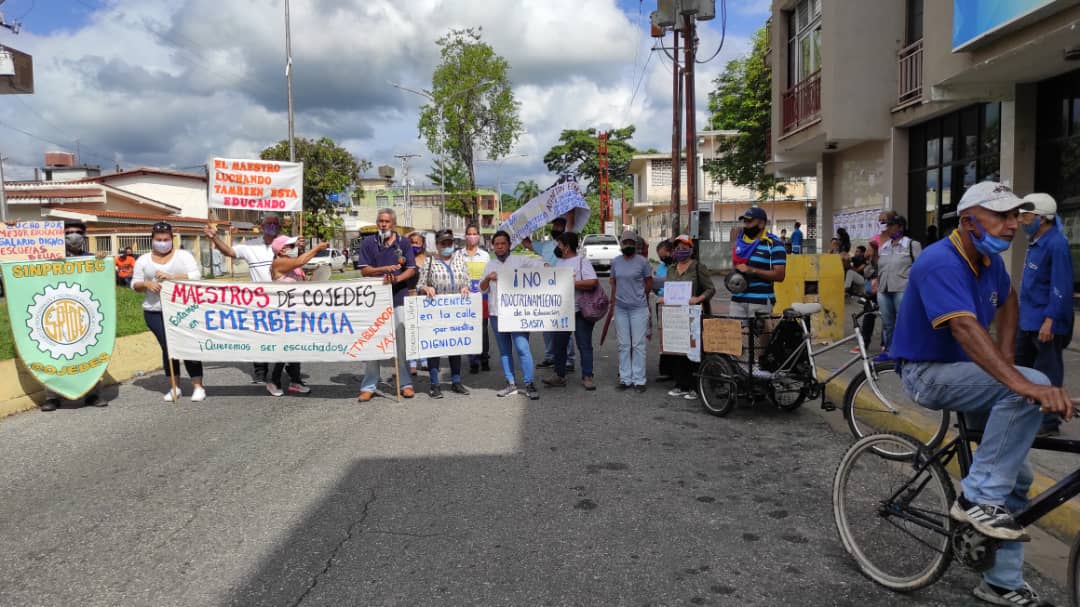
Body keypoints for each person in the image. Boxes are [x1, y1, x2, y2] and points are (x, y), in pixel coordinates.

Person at [891, 181, 1074, 607]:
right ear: (970, 220)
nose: (1014, 225)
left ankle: (1000, 582)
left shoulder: (989, 260)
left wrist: (1008, 364)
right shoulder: (940, 261)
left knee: (1019, 477)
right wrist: (1019, 381)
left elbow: (1008, 301)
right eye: (1004, 216)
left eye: (1017, 216)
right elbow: (966, 329)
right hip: (928, 374)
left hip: (968, 372)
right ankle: (977, 496)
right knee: (1030, 389)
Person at [204, 214, 287, 385]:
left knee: (284, 336)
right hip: (260, 301)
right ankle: (260, 372)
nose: (271, 226)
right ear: (261, 225)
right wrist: (215, 238)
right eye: (268, 223)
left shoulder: (287, 244)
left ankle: (287, 373)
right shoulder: (250, 245)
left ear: (280, 227)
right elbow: (229, 252)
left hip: (284, 300)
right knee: (259, 337)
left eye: (275, 223)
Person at [1017, 193, 1074, 437]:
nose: (1021, 221)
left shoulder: (1056, 243)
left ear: (1043, 218)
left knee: (1047, 373)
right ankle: (1025, 414)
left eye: (1026, 216)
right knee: (1021, 368)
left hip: (1046, 322)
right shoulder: (1036, 241)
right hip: (1028, 319)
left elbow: (1061, 286)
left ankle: (1050, 421)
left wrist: (1050, 320)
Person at [40, 220, 109, 412]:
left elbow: (101, 282)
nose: (74, 236)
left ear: (84, 236)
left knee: (88, 353)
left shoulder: (91, 259)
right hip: (56, 315)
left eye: (78, 232)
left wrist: (101, 262)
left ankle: (93, 394)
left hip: (83, 315)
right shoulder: (50, 258)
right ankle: (52, 396)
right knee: (53, 354)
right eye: (69, 232)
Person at [132, 222, 206, 402]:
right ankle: (175, 386)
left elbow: (196, 275)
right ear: (152, 240)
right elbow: (134, 284)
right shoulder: (143, 260)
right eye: (159, 240)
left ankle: (198, 386)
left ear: (172, 239)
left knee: (187, 345)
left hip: (183, 309)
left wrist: (173, 277)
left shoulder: (183, 256)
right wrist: (147, 284)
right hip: (155, 311)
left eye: (166, 239)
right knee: (168, 347)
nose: (163, 243)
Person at [356, 209, 417, 401]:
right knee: (374, 340)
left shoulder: (403, 243)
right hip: (375, 299)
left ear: (393, 223)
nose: (383, 224)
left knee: (401, 340)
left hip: (398, 296)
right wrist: (384, 271)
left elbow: (411, 269)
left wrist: (397, 278)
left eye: (387, 221)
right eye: (380, 221)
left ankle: (405, 383)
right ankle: (369, 385)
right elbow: (364, 271)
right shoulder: (368, 243)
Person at [481, 230, 545, 400]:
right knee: (504, 350)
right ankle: (510, 383)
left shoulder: (521, 260)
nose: (500, 247)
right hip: (496, 314)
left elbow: (543, 266)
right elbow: (482, 288)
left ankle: (529, 383)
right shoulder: (490, 265)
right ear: (493, 247)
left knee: (522, 348)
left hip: (517, 314)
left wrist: (561, 273)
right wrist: (488, 278)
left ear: (509, 245)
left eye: (503, 243)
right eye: (497, 244)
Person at [730, 207, 787, 378]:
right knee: (738, 336)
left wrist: (752, 270)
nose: (746, 225)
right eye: (744, 221)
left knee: (761, 338)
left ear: (761, 223)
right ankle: (741, 373)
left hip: (760, 300)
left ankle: (762, 370)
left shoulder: (773, 244)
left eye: (750, 221)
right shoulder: (741, 242)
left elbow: (780, 275)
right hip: (738, 298)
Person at [659, 235, 716, 400]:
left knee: (693, 351)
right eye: (677, 248)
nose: (680, 251)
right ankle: (680, 384)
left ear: (691, 249)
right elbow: (670, 289)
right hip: (675, 316)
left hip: (693, 315)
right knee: (677, 349)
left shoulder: (699, 267)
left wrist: (698, 299)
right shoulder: (671, 269)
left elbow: (710, 289)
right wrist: (664, 298)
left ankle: (694, 386)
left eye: (684, 247)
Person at [417, 229, 473, 399]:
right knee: (435, 348)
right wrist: (426, 288)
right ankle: (434, 384)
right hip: (435, 312)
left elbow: (467, 280)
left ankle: (456, 381)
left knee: (455, 347)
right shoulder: (430, 261)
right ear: (438, 245)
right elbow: (420, 284)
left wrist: (465, 287)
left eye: (450, 243)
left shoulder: (460, 259)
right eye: (444, 243)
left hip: (455, 312)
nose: (447, 246)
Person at [266, 235, 324, 396]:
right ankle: (274, 380)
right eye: (291, 245)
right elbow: (299, 261)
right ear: (282, 249)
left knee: (295, 347)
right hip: (283, 314)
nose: (294, 247)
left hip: (297, 313)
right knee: (285, 348)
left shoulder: (294, 268)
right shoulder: (278, 263)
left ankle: (295, 381)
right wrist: (317, 248)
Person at [542, 232, 599, 391]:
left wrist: (572, 282)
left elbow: (592, 282)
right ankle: (559, 375)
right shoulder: (559, 263)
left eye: (559, 245)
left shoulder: (582, 261)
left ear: (566, 247)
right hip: (562, 310)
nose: (557, 247)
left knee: (584, 344)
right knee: (559, 345)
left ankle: (588, 376)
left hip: (581, 310)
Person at [523, 216, 574, 372]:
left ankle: (569, 359)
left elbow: (571, 224)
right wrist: (524, 226)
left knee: (564, 325)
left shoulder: (569, 243)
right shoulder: (544, 246)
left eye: (560, 226)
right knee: (547, 325)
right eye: (555, 225)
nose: (556, 228)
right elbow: (525, 243)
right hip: (546, 290)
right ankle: (550, 356)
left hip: (563, 288)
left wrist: (570, 212)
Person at [611, 230, 653, 392]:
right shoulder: (616, 262)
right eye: (625, 242)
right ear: (621, 245)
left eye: (631, 242)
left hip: (638, 309)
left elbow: (648, 283)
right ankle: (625, 379)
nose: (627, 245)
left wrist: (641, 296)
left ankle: (639, 380)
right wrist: (614, 301)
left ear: (635, 244)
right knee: (623, 344)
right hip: (620, 308)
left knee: (638, 344)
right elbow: (613, 282)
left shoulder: (642, 262)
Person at [876, 215, 922, 361]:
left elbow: (920, 267)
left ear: (900, 227)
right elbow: (880, 267)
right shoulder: (885, 246)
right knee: (887, 324)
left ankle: (907, 351)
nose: (888, 228)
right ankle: (889, 351)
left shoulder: (911, 245)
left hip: (902, 289)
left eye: (891, 225)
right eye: (887, 226)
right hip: (884, 290)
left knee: (904, 321)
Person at [462, 223, 492, 375]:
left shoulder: (485, 256)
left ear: (479, 236)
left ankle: (484, 358)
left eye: (475, 233)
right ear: (465, 236)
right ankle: (472, 361)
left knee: (483, 330)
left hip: (483, 297)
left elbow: (489, 276)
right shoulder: (459, 255)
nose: (472, 236)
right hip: (466, 298)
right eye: (469, 233)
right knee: (469, 329)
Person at [405, 231, 428, 377]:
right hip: (408, 298)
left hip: (424, 299)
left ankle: (425, 361)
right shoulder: (404, 260)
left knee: (424, 330)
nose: (414, 245)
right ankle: (412, 363)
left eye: (417, 242)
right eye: (411, 242)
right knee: (411, 332)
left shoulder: (428, 260)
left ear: (422, 244)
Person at [653, 240, 675, 382]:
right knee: (664, 337)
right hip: (662, 303)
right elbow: (654, 285)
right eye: (660, 257)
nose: (663, 259)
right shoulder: (660, 268)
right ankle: (666, 370)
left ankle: (677, 370)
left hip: (676, 304)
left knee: (677, 337)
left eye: (665, 255)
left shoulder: (678, 266)